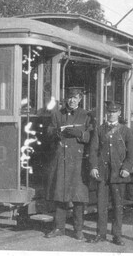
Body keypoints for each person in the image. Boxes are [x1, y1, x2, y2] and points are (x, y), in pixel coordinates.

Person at [45, 87, 93, 240]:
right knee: (60, 195)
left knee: (78, 197)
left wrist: (79, 134)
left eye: (76, 98)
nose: (72, 100)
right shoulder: (57, 114)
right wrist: (57, 132)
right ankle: (59, 228)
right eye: (70, 97)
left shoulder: (86, 116)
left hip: (78, 162)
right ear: (66, 99)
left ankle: (78, 230)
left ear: (80, 99)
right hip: (61, 160)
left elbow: (92, 137)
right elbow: (49, 132)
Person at [89, 101, 133, 246]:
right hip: (102, 175)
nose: (111, 114)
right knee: (101, 206)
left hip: (118, 175)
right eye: (109, 112)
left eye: (114, 112)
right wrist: (94, 167)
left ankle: (117, 236)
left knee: (117, 206)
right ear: (106, 113)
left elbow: (131, 153)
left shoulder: (125, 131)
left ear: (119, 113)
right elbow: (93, 150)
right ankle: (100, 234)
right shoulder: (100, 130)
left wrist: (126, 168)